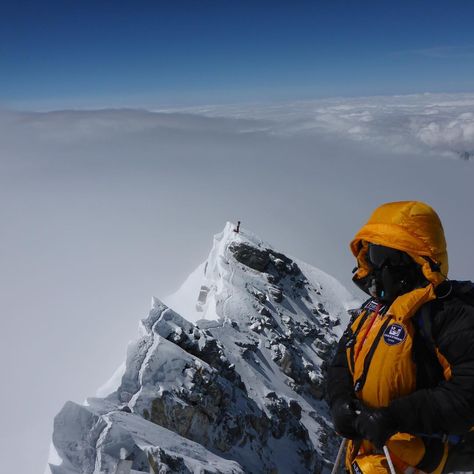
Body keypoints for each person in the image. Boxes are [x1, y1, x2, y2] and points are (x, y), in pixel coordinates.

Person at [326, 201, 474, 473]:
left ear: (416, 260)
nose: (375, 266)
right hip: (368, 460)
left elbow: (467, 392)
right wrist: (339, 401)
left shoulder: (449, 314)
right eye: (371, 254)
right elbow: (341, 363)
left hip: (424, 463)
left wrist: (395, 417)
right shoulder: (372, 312)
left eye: (385, 256)